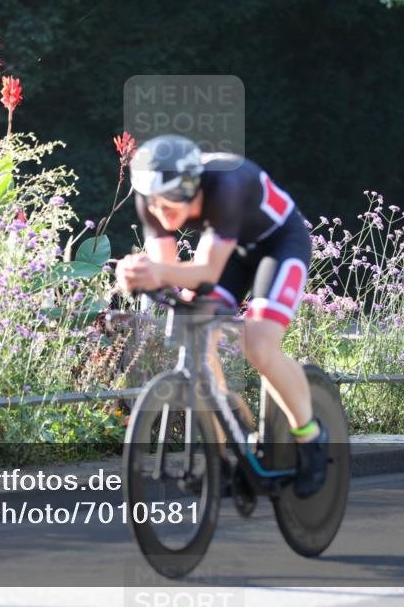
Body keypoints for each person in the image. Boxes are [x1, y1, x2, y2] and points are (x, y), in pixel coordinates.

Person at [114, 134, 328, 497]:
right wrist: (134, 276)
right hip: (230, 252)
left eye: (171, 204)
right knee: (193, 331)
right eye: (155, 205)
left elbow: (208, 271)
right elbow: (166, 269)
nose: (162, 214)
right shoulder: (150, 194)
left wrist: (156, 272)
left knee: (258, 345)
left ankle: (310, 437)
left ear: (192, 188)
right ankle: (226, 448)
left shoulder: (226, 184)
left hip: (277, 245)